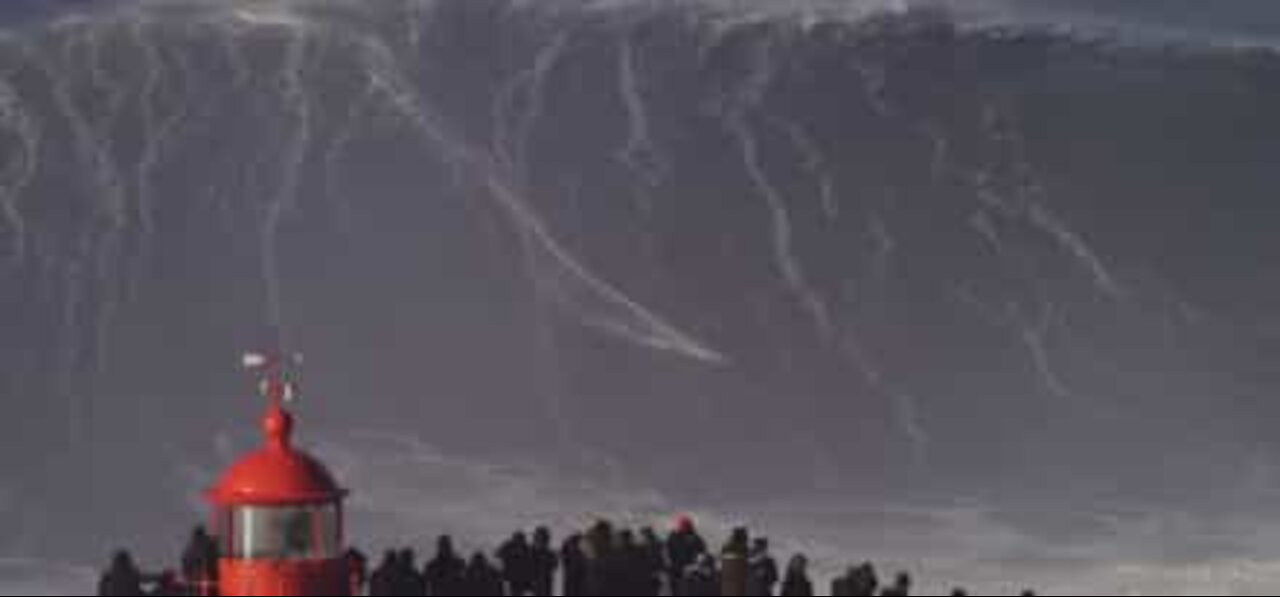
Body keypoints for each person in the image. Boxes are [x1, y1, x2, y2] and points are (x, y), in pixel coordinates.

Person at [666, 515, 707, 584]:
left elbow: (702, 552)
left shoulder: (696, 539)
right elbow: (667, 553)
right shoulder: (672, 538)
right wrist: (670, 564)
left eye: (687, 528)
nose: (686, 532)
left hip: (690, 568)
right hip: (675, 569)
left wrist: (697, 563)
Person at [180, 526, 218, 591]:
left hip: (198, 581)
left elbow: (185, 566)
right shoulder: (207, 544)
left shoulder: (190, 550)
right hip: (205, 581)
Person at [498, 531, 535, 595]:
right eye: (517, 539)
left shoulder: (527, 548)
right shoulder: (509, 546)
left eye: (520, 540)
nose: (519, 542)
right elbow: (499, 554)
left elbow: (531, 563)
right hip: (513, 578)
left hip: (523, 578)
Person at [530, 527, 558, 596]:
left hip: (545, 580)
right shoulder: (531, 552)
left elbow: (554, 566)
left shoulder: (549, 553)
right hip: (537, 581)